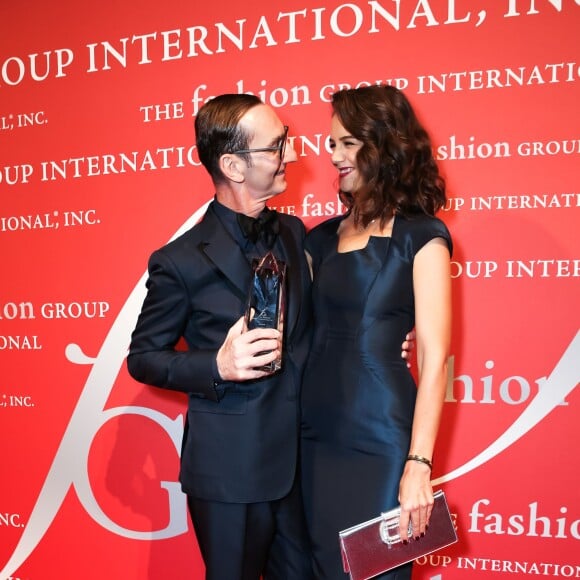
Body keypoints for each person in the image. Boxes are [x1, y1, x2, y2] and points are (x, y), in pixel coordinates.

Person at [127, 94, 314, 580]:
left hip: (303, 464)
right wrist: (216, 366)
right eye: (277, 146)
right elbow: (144, 357)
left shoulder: (294, 233)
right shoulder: (180, 260)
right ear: (232, 164)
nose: (292, 155)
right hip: (231, 473)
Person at [300, 85, 452, 579]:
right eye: (332, 145)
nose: (334, 156)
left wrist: (419, 464)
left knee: (377, 573)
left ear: (382, 144)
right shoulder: (318, 239)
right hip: (312, 437)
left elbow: (432, 359)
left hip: (382, 439)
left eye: (347, 143)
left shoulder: (421, 235)